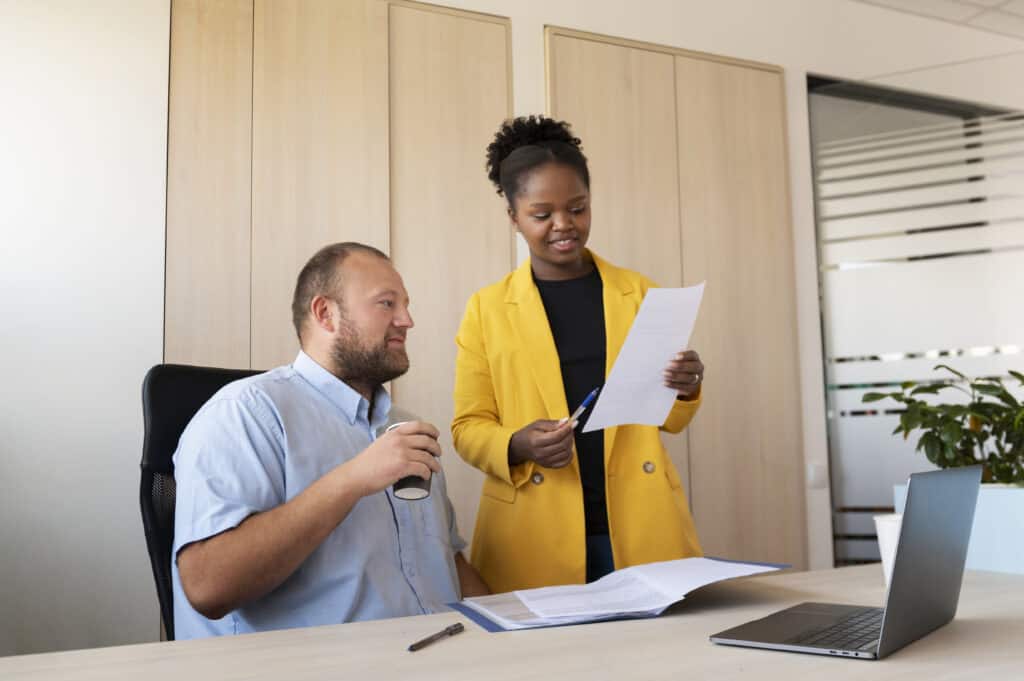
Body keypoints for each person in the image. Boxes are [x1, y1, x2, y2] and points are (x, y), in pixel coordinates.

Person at [172, 242, 489, 639]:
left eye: (406, 304)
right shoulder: (245, 412)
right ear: (326, 313)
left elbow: (449, 563)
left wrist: (509, 637)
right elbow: (208, 585)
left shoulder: (406, 427)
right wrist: (354, 478)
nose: (406, 320)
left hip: (445, 658)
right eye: (387, 304)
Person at [451, 116, 706, 593]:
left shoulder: (641, 292)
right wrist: (518, 444)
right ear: (513, 217)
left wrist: (687, 386)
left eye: (578, 208)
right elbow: (467, 429)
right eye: (541, 214)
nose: (563, 225)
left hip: (639, 525)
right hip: (532, 534)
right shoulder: (486, 309)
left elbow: (670, 420)